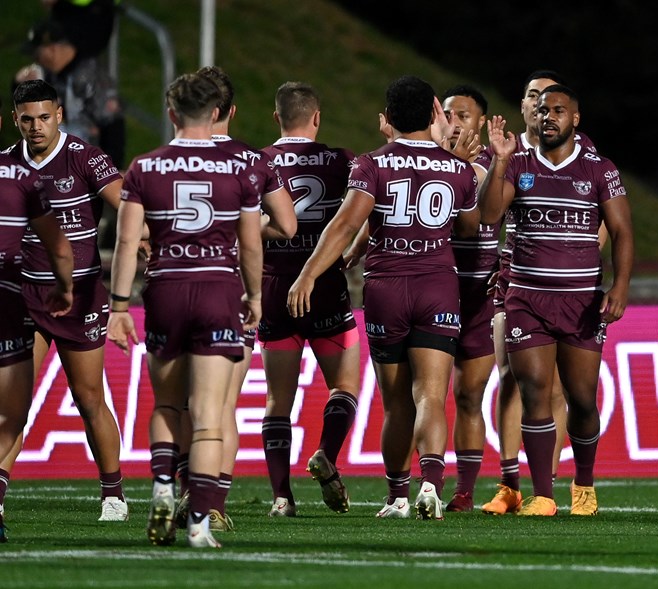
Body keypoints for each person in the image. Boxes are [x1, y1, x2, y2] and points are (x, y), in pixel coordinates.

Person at [288, 75, 480, 520]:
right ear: (435, 114)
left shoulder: (372, 164)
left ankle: (396, 497)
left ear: (389, 117)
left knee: (395, 402)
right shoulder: (458, 168)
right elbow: (470, 227)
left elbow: (343, 224)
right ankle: (430, 485)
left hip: (387, 287)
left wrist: (307, 275)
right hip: (436, 286)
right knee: (431, 394)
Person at [106, 72, 264, 548]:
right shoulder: (241, 166)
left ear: (172, 113)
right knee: (209, 416)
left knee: (169, 404)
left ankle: (160, 485)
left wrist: (117, 307)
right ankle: (198, 524)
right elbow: (252, 243)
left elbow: (127, 240)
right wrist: (254, 296)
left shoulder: (145, 168)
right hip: (218, 288)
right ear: (216, 113)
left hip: (166, 290)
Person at [478, 84, 634, 516]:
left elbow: (621, 230)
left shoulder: (599, 168)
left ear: (575, 118)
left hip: (581, 302)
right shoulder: (518, 163)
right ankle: (543, 495)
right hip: (527, 298)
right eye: (543, 110)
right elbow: (490, 214)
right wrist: (501, 161)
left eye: (558, 110)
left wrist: (620, 287)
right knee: (534, 392)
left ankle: (583, 484)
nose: (548, 117)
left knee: (583, 400)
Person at [166, 65, 296, 532]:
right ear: (230, 110)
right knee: (219, 405)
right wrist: (242, 233)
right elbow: (287, 224)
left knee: (180, 404)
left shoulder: (165, 159)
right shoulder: (253, 160)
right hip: (232, 292)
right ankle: (211, 503)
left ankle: (181, 493)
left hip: (173, 288)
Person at [1, 79, 127, 523]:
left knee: (89, 399)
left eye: (44, 117)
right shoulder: (7, 167)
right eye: (27, 119)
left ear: (59, 114)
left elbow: (124, 204)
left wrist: (144, 237)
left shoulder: (84, 157)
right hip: (23, 299)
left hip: (81, 295)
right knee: (12, 406)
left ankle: (113, 494)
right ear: (16, 120)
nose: (36, 127)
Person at [258, 82, 361, 518]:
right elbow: (368, 208)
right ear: (316, 117)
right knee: (345, 387)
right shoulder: (341, 161)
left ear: (276, 117)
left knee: (277, 401)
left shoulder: (257, 161)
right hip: (324, 285)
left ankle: (282, 497)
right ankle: (326, 456)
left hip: (274, 286)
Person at [0, 95, 74, 543]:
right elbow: (60, 246)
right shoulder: (23, 179)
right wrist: (64, 289)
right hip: (8, 301)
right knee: (11, 415)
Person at [438, 84, 499, 512]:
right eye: (448, 114)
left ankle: (463, 491)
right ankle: (406, 489)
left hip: (479, 295)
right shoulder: (426, 162)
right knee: (420, 394)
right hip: (433, 291)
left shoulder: (501, 166)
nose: (454, 122)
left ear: (480, 122)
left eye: (463, 115)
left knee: (468, 395)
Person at [17, 18, 125, 169]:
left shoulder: (89, 75)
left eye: (37, 54)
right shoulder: (48, 74)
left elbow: (112, 124)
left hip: (88, 167)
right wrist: (19, 85)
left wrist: (111, 170)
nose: (36, 60)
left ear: (52, 49)